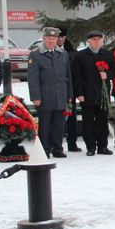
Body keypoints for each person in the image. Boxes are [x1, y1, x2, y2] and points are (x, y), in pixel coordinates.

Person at [28, 27, 74, 158]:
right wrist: (35, 96)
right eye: (48, 38)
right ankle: (45, 150)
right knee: (45, 125)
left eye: (54, 38)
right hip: (45, 95)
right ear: (44, 39)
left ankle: (57, 148)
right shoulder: (36, 55)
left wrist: (70, 94)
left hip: (61, 94)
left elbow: (68, 76)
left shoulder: (63, 53)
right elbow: (33, 78)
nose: (51, 41)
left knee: (59, 125)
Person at [73, 30, 115, 156]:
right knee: (88, 122)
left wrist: (107, 75)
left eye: (99, 39)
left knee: (102, 121)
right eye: (94, 40)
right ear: (88, 41)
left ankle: (103, 146)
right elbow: (77, 76)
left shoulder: (107, 54)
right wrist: (79, 93)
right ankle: (90, 147)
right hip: (87, 93)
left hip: (102, 94)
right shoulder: (81, 56)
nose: (96, 42)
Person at [57, 30, 82, 152]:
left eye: (62, 36)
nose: (60, 39)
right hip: (55, 91)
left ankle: (72, 143)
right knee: (56, 118)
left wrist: (76, 91)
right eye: (58, 37)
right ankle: (55, 145)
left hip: (69, 91)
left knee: (71, 117)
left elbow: (77, 74)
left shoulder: (71, 52)